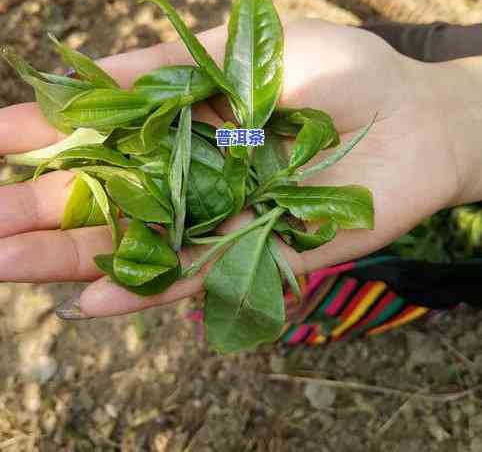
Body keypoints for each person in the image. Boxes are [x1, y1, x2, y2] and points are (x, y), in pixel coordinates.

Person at [1, 18, 481, 323]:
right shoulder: (209, 138)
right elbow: (241, 137)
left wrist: (249, 139)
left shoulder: (235, 135)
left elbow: (249, 136)